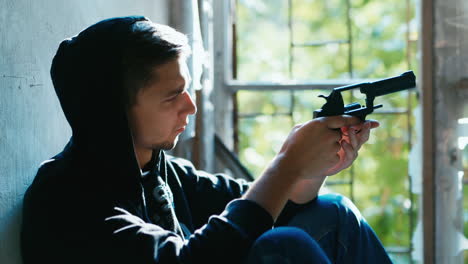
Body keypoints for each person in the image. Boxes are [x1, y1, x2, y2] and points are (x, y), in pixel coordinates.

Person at [21, 16, 392, 264]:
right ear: (114, 111)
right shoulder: (66, 199)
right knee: (283, 247)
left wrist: (312, 169)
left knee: (332, 211)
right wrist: (287, 163)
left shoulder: (161, 172)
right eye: (172, 96)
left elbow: (271, 207)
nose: (191, 106)